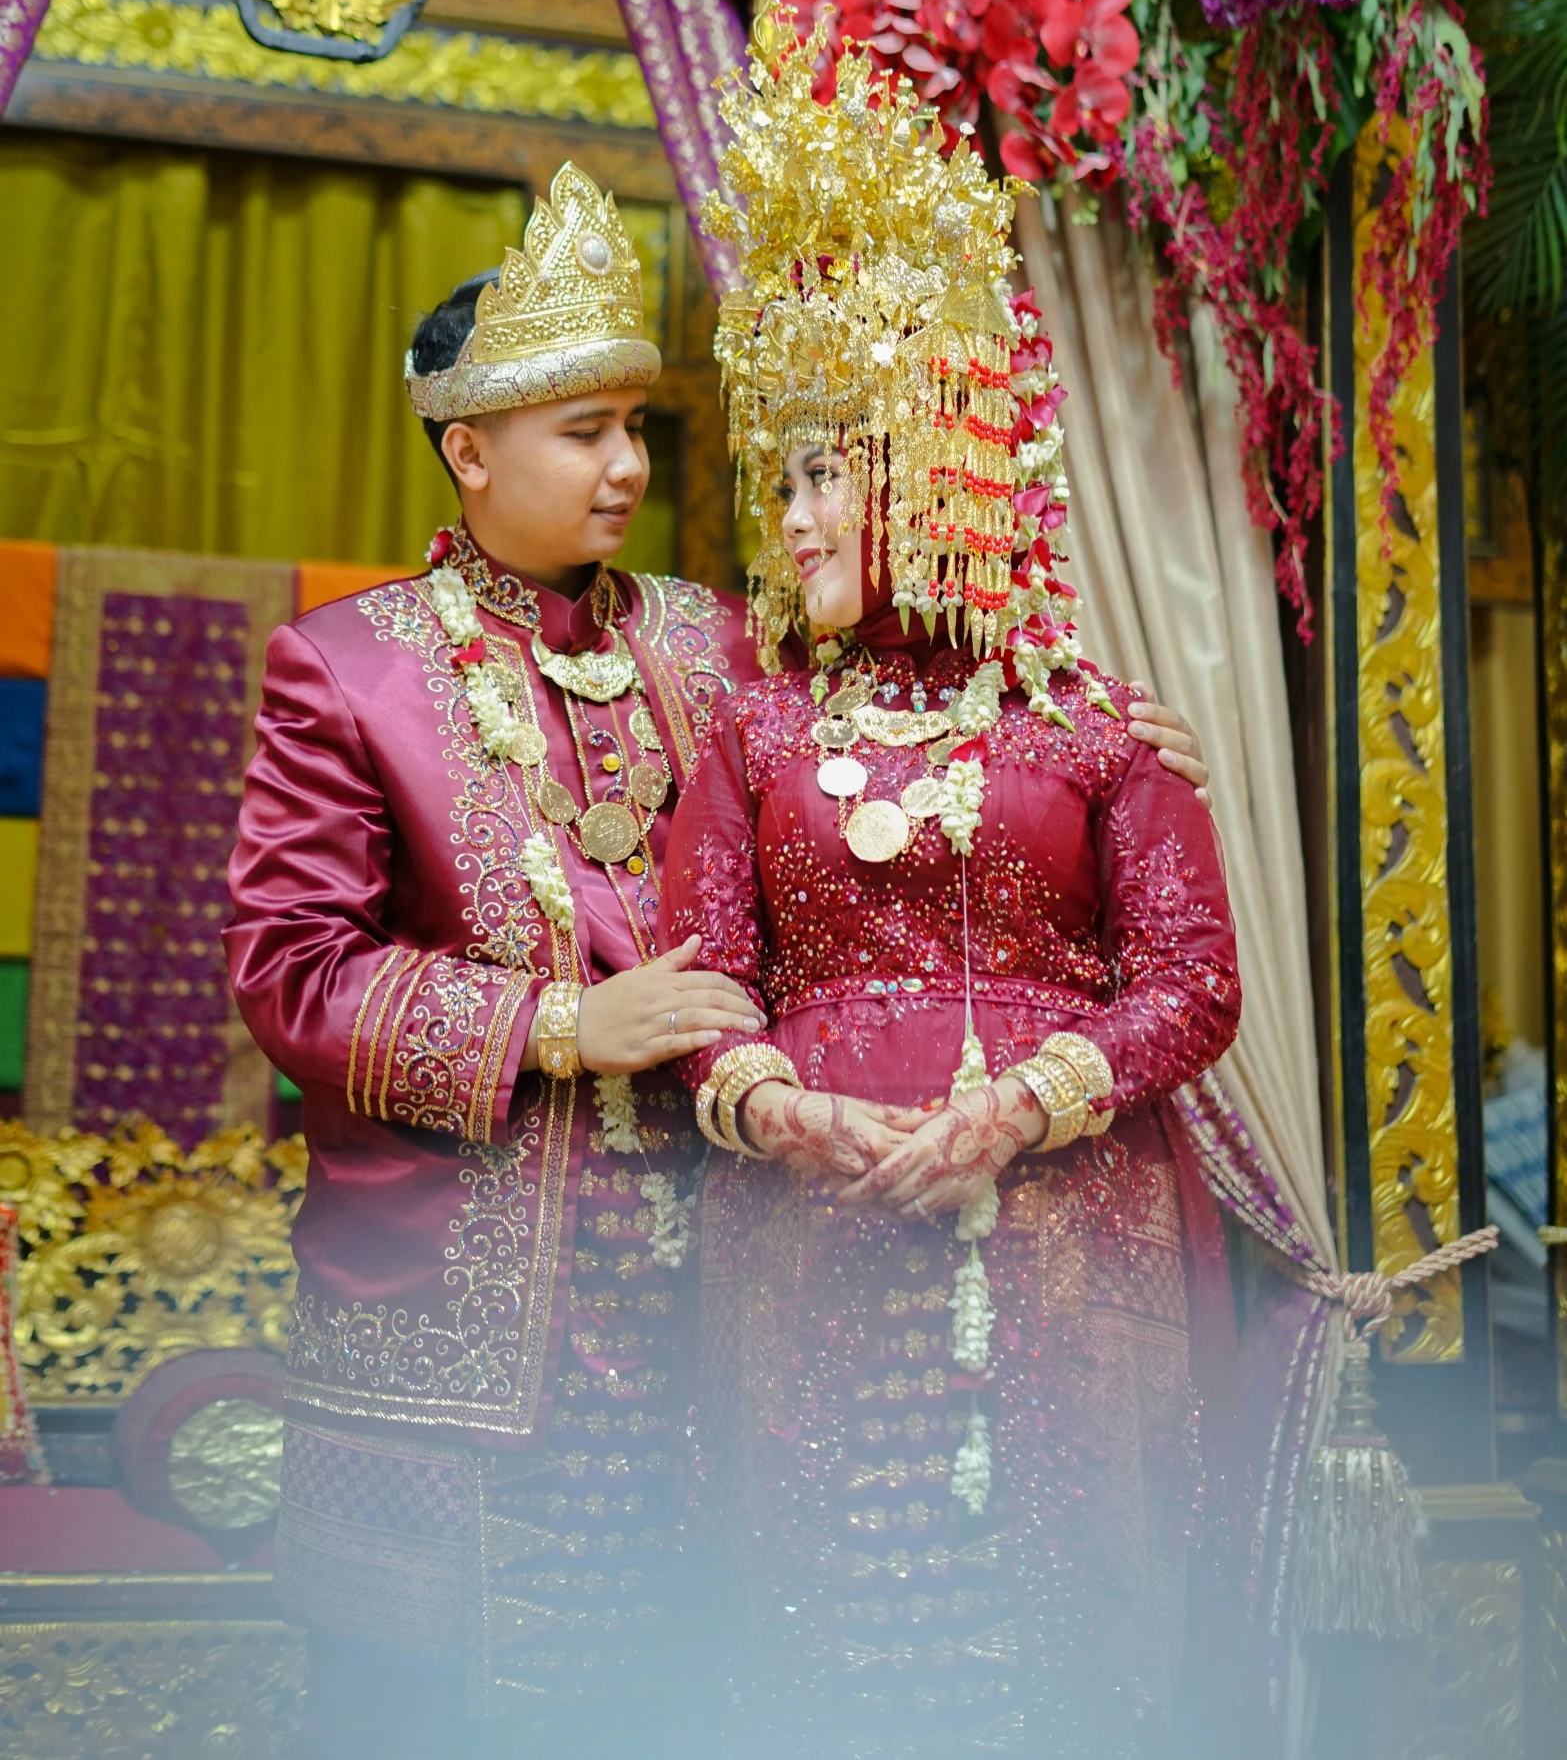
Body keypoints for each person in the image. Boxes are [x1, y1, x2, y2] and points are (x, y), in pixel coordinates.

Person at [226, 157, 1215, 1754]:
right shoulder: (349, 669)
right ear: (467, 450)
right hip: (467, 1319)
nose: (628, 468)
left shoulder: (720, 643)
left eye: (639, 428)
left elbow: (916, 731)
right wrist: (561, 1019)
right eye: (584, 433)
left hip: (714, 1290)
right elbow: (289, 971)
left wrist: (1102, 737)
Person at [658, 23, 1244, 1759]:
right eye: (782, 479)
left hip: (1073, 1245)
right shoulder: (752, 730)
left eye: (825, 471)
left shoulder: (1091, 726)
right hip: (807, 1242)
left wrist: (1022, 1103)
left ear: (934, 473)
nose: (795, 519)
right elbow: (701, 986)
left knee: (1070, 1636)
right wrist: (766, 1109)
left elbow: (1192, 982)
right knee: (831, 1633)